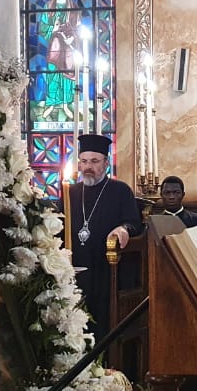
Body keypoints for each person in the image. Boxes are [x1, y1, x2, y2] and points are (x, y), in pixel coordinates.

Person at [66, 133, 143, 345]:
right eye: (84, 161)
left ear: (106, 164)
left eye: (94, 161)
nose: (88, 167)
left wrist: (122, 229)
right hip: (75, 271)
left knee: (103, 326)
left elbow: (134, 224)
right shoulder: (70, 192)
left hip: (106, 272)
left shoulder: (120, 191)